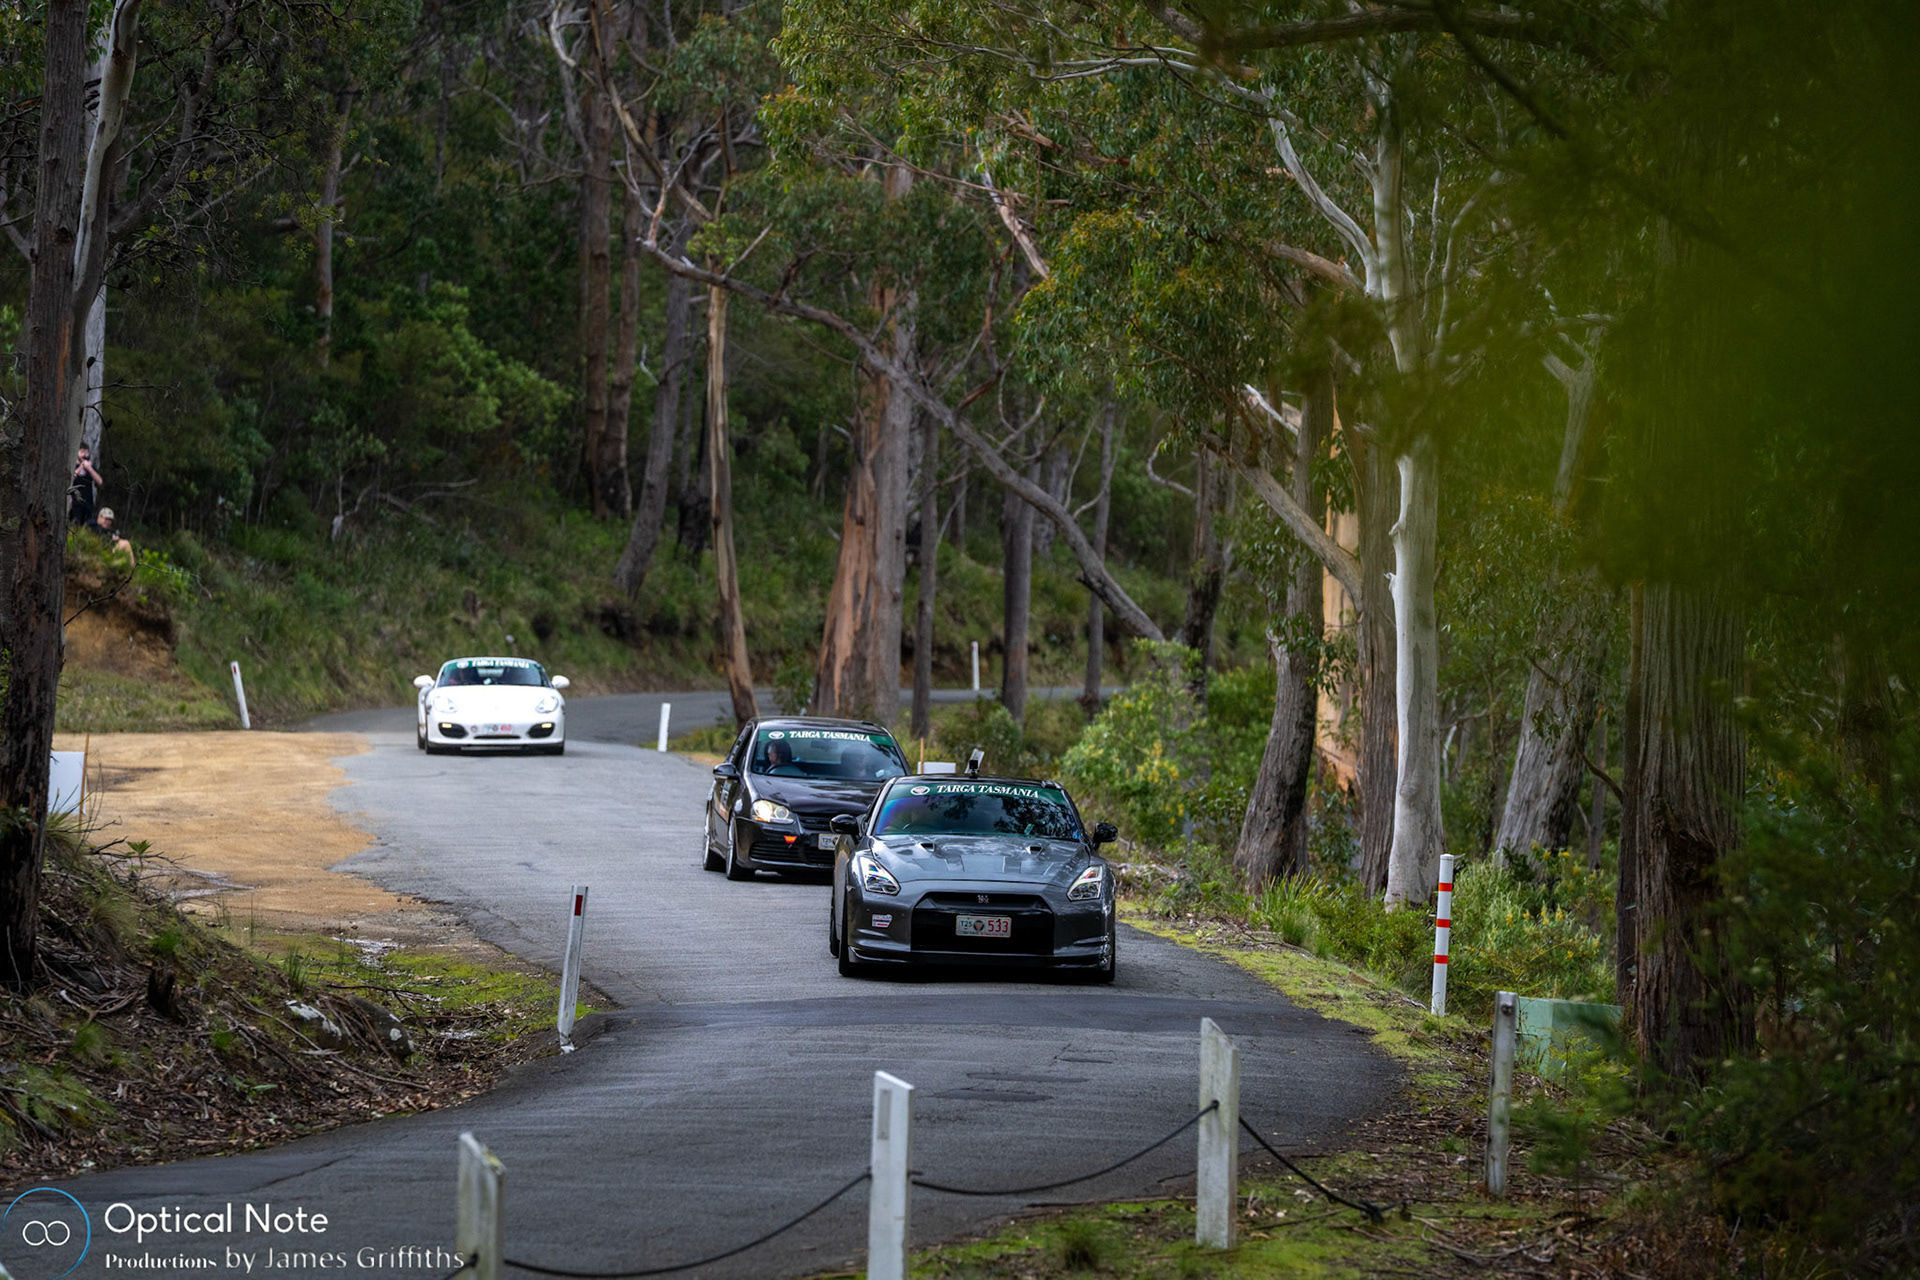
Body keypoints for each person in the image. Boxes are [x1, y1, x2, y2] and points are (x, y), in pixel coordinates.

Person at [69, 446, 102, 526]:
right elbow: (70, 478)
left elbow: (100, 481)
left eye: (86, 452)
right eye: (82, 452)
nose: (85, 455)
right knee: (75, 524)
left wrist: (89, 468)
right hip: (75, 502)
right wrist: (81, 467)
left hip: (88, 502)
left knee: (87, 525)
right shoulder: (73, 465)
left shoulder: (91, 467)